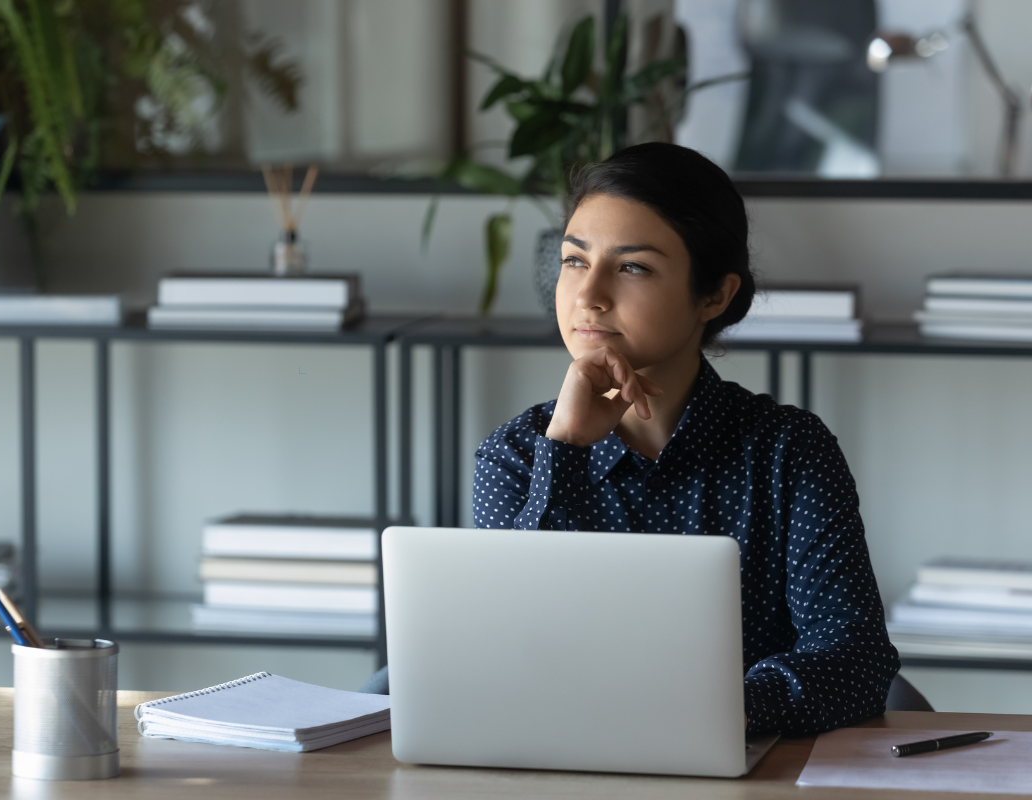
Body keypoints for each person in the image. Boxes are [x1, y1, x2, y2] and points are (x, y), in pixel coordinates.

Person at [362, 142, 899, 739]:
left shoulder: (789, 452)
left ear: (714, 296)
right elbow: (507, 646)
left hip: (741, 766)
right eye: (573, 261)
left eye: (633, 266)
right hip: (553, 762)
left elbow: (856, 659)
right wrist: (564, 447)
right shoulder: (517, 453)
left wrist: (713, 710)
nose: (588, 295)